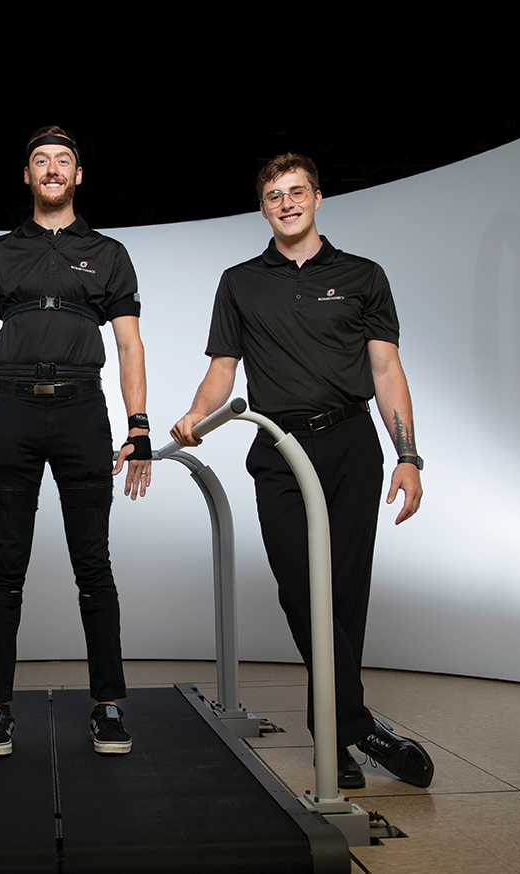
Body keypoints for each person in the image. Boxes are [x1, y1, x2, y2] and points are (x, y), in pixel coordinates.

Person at [169, 153, 433, 790]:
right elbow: (223, 370)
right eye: (273, 196)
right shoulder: (239, 281)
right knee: (300, 589)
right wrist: (195, 415)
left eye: (296, 192)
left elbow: (386, 370)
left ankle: (335, 736)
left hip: (350, 444)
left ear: (318, 197)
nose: (286, 203)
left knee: (345, 595)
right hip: (280, 449)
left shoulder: (364, 276)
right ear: (262, 208)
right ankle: (355, 723)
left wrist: (408, 456)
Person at [0, 126, 151, 758]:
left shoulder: (108, 252)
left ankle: (108, 707)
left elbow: (130, 344)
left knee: (95, 566)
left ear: (78, 175)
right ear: (27, 176)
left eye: (63, 161)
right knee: (6, 564)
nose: (52, 169)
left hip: (85, 411)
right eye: (41, 161)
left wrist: (138, 425)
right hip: (12, 410)